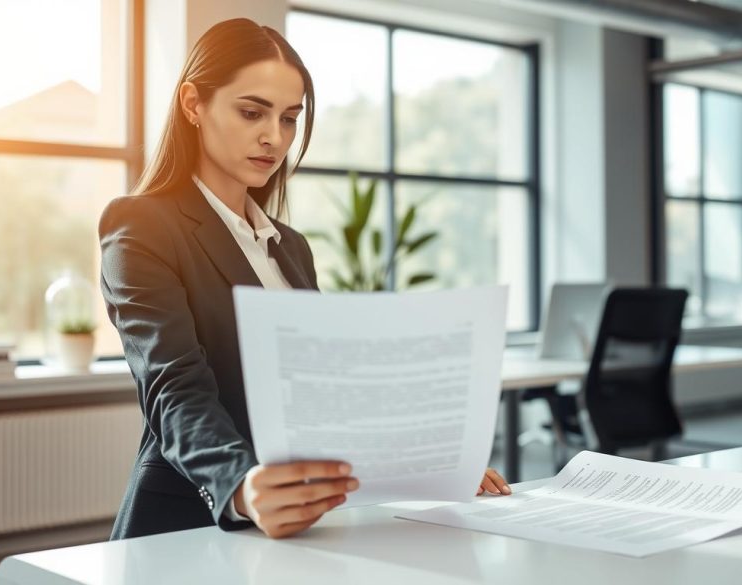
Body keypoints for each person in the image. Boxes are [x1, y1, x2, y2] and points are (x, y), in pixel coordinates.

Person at [99, 18, 510, 541]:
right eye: (252, 112)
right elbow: (174, 387)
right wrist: (242, 488)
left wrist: (431, 466)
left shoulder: (290, 248)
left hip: (304, 527)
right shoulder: (141, 224)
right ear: (193, 105)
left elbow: (326, 393)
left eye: (290, 118)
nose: (275, 137)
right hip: (188, 525)